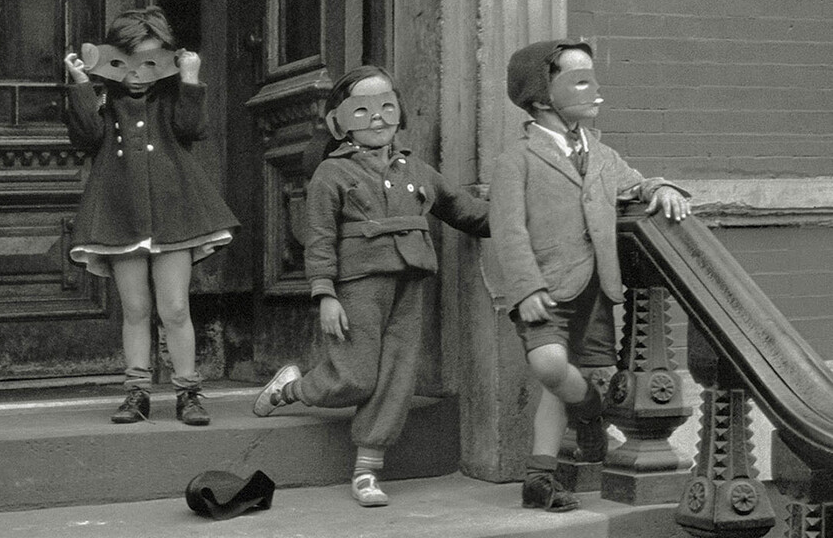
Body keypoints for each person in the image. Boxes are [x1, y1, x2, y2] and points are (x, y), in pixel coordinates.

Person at [252, 65, 490, 507]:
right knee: (357, 376)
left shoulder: (416, 169)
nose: (377, 118)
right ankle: (293, 388)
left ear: (399, 112)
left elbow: (464, 210)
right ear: (339, 122)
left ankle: (367, 471)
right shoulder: (332, 174)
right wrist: (325, 293)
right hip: (358, 284)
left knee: (397, 376)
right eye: (362, 110)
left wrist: (519, 218)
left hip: (411, 280)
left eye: (386, 106)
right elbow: (319, 238)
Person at [489, 38, 691, 512]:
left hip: (595, 289)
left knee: (558, 383)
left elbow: (633, 182)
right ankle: (593, 414)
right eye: (580, 81)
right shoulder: (516, 159)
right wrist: (526, 288)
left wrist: (659, 188)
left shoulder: (600, 154)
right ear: (542, 96)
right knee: (550, 366)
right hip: (544, 288)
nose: (595, 90)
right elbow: (508, 229)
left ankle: (539, 478)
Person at [63, 6, 239, 426]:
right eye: (127, 61)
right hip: (120, 211)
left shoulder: (172, 94)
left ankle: (188, 391)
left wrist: (191, 78)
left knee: (175, 307)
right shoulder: (104, 97)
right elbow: (86, 137)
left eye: (150, 61)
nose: (138, 74)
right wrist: (82, 84)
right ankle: (137, 392)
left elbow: (192, 130)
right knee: (136, 307)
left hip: (174, 210)